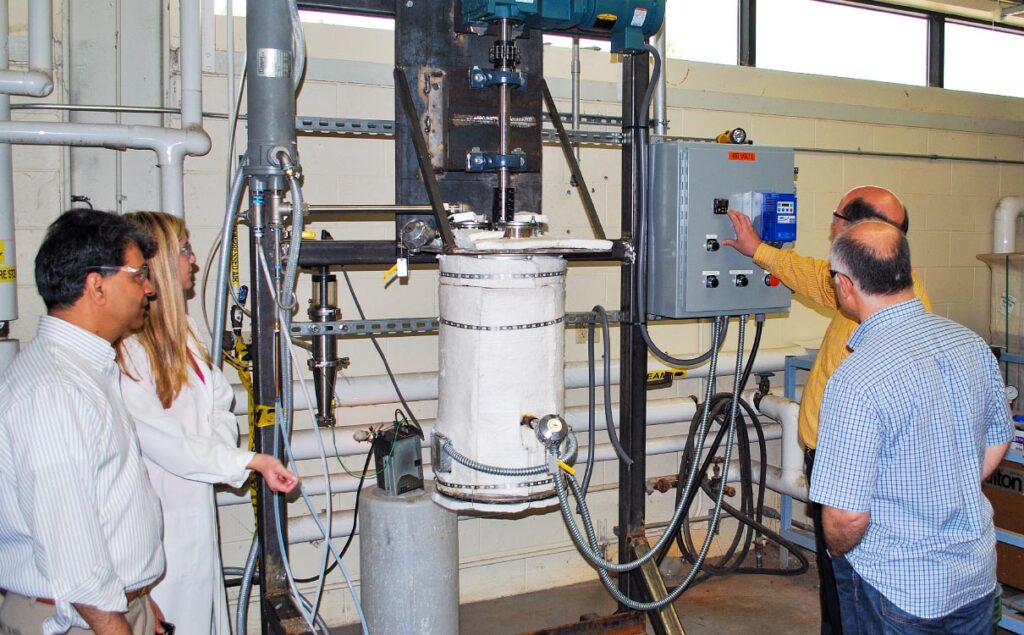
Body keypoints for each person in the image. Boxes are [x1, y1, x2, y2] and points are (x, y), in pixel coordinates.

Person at [721, 185, 930, 634]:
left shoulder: (886, 336)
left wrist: (842, 519)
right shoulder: (878, 294)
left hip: (854, 468)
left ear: (858, 233)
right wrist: (760, 251)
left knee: (852, 584)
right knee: (839, 585)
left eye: (837, 218)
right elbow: (819, 278)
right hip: (840, 460)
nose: (830, 227)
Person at [809, 220, 1012, 632]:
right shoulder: (970, 343)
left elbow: (846, 517)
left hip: (897, 588)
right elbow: (999, 438)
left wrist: (837, 551)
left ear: (844, 285)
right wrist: (951, 489)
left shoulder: (856, 379)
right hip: (975, 575)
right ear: (908, 270)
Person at [116, 211, 300, 635]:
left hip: (196, 516)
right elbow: (170, 445)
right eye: (184, 250)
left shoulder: (184, 332)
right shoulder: (128, 353)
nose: (194, 259)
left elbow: (221, 402)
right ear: (159, 265)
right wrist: (248, 460)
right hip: (158, 531)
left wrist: (214, 451)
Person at [0, 209, 165, 635]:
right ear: (97, 286)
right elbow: (70, 546)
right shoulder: (55, 390)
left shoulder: (84, 371)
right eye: (138, 275)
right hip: (76, 621)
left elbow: (104, 505)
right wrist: (116, 622)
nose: (149, 288)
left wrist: (139, 596)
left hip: (108, 609)